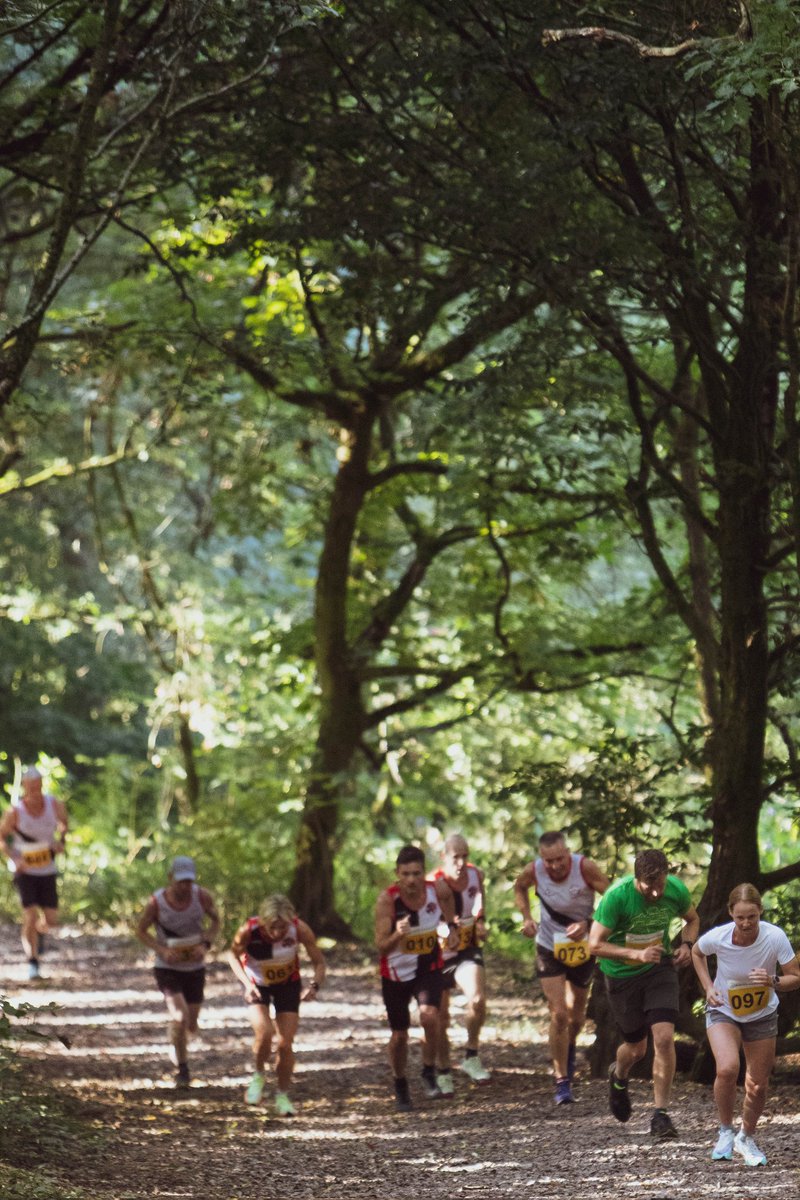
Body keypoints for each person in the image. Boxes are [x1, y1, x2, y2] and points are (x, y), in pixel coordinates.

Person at [588, 848, 700, 1141]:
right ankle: (619, 1075)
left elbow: (692, 919)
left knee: (663, 1037)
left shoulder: (674, 889)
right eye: (648, 887)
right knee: (636, 1049)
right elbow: (594, 945)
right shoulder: (617, 896)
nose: (655, 893)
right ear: (636, 880)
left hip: (659, 969)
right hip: (622, 976)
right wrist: (633, 955)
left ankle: (661, 1115)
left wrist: (687, 945)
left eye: (660, 885)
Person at [691, 883, 800, 1167]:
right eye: (740, 917)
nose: (746, 922)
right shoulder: (719, 937)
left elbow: (795, 977)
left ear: (760, 912)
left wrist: (772, 980)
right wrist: (708, 987)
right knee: (727, 1068)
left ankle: (746, 1137)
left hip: (762, 1013)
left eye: (751, 916)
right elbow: (696, 953)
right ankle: (725, 1131)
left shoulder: (774, 937)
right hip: (724, 1009)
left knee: (758, 1084)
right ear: (731, 913)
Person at [514, 830, 609, 1104]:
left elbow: (613, 899)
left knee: (576, 1018)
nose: (555, 866)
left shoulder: (584, 868)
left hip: (581, 946)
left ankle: (566, 1049)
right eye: (549, 861)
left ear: (568, 853)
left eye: (559, 859)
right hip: (548, 946)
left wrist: (589, 924)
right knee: (559, 1015)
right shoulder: (534, 870)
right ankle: (562, 1080)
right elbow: (519, 887)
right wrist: (527, 917)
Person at [375, 844, 458, 1112]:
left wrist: (452, 927)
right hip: (396, 974)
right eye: (406, 874)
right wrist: (398, 934)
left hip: (428, 967)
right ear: (398, 874)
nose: (412, 879)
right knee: (399, 1036)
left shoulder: (438, 890)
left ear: (424, 873)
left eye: (417, 873)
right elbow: (381, 946)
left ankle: (428, 1071)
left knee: (430, 1017)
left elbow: (448, 903)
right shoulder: (388, 901)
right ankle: (400, 1083)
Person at [228, 893, 326, 1116]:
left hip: (287, 985)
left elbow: (319, 961)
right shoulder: (248, 930)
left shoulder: (299, 929)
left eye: (283, 927)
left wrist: (315, 985)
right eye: (273, 926)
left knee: (285, 1043)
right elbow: (232, 956)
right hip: (257, 986)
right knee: (265, 1032)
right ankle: (258, 1074)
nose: (278, 932)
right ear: (263, 920)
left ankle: (282, 1095)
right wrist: (246, 984)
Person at [135, 855, 220, 1087]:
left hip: (194, 968)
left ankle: (177, 1038)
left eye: (188, 882)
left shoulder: (202, 897)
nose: (184, 886)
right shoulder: (157, 902)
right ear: (170, 878)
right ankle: (183, 1070)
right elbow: (141, 930)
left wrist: (206, 944)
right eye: (180, 881)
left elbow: (216, 922)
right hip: (167, 968)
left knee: (191, 1024)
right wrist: (161, 950)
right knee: (180, 1016)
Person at [432, 833, 490, 1092]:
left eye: (465, 856)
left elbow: (480, 904)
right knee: (441, 1019)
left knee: (477, 999)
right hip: (437, 956)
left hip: (466, 950)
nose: (461, 862)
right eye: (456, 857)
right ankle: (443, 1069)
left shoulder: (475, 875)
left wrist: (480, 924)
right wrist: (445, 931)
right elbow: (422, 918)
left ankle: (471, 1055)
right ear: (444, 857)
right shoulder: (432, 884)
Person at [0, 766, 68, 980]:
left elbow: (64, 826)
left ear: (42, 784)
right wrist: (14, 858)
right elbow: (1, 838)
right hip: (25, 871)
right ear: (24, 787)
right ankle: (33, 961)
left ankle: (39, 933)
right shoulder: (15, 812)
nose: (35, 790)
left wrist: (61, 841)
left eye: (38, 785)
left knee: (51, 920)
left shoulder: (54, 804)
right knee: (29, 915)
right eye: (30, 787)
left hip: (47, 869)